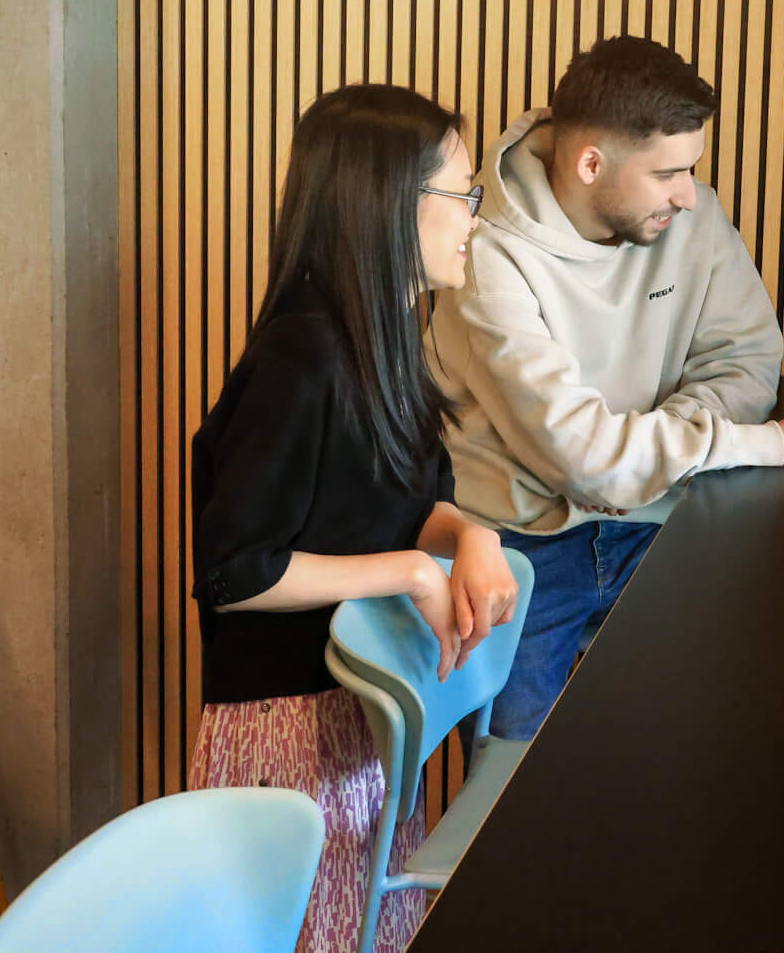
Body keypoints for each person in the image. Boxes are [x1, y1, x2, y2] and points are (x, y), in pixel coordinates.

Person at [429, 35, 784, 741]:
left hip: (661, 522)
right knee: (514, 794)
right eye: (669, 172)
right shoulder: (488, 255)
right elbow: (581, 453)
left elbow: (746, 358)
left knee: (686, 751)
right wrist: (753, 445)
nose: (689, 193)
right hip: (520, 542)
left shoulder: (691, 218)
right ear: (591, 162)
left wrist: (661, 448)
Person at [188, 83, 519, 953]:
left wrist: (467, 535)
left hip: (356, 716)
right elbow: (234, 570)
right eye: (463, 192)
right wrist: (413, 570)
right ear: (391, 204)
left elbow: (404, 505)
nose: (474, 218)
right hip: (285, 738)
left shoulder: (383, 334)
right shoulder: (305, 355)